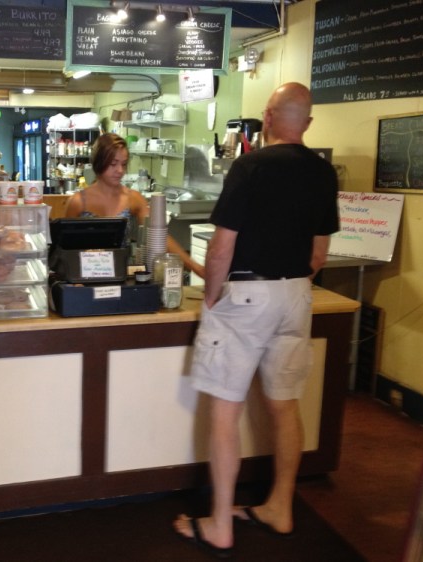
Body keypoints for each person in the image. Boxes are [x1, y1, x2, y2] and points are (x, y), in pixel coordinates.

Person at [173, 82, 339, 557]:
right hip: (297, 295)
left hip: (246, 292)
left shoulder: (251, 165)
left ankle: (220, 523)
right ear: (305, 123)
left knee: (225, 411)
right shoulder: (323, 173)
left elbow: (222, 245)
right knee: (285, 407)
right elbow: (319, 253)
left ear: (267, 118)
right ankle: (278, 508)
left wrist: (211, 297)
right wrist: (288, 284)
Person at [65, 132, 205, 278]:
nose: (120, 170)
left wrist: (195, 267)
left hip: (121, 276)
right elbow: (66, 249)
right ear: (99, 162)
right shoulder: (78, 202)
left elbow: (159, 235)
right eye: (113, 164)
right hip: (85, 278)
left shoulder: (133, 198)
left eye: (124, 164)